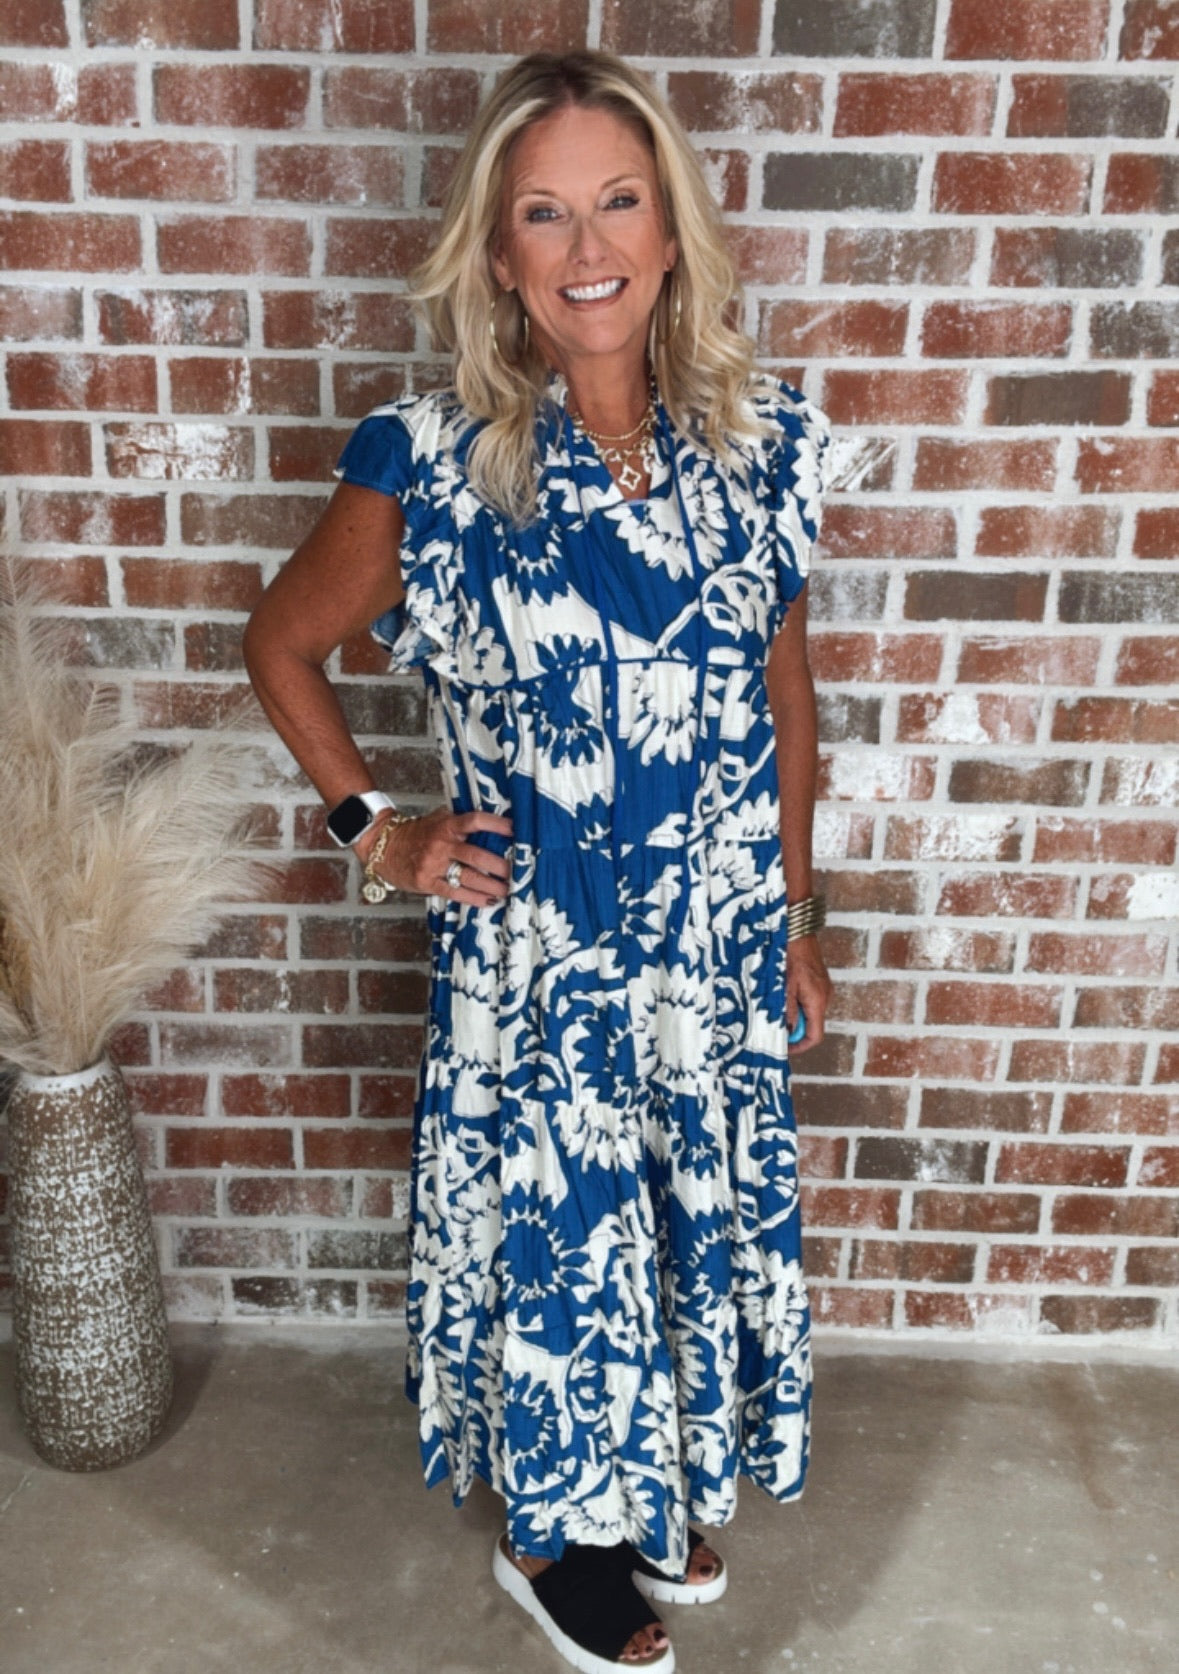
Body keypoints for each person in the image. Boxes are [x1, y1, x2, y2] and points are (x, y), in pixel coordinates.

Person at [243, 48, 835, 1674]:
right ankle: (545, 1537)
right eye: (546, 213)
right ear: (499, 254)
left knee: (677, 1220)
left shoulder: (760, 446)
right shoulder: (433, 461)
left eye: (620, 201)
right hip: (548, 955)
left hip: (708, 940)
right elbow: (282, 643)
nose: (590, 247)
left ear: (672, 227)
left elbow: (787, 693)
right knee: (564, 1243)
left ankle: (645, 1486)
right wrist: (384, 834)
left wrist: (791, 909)